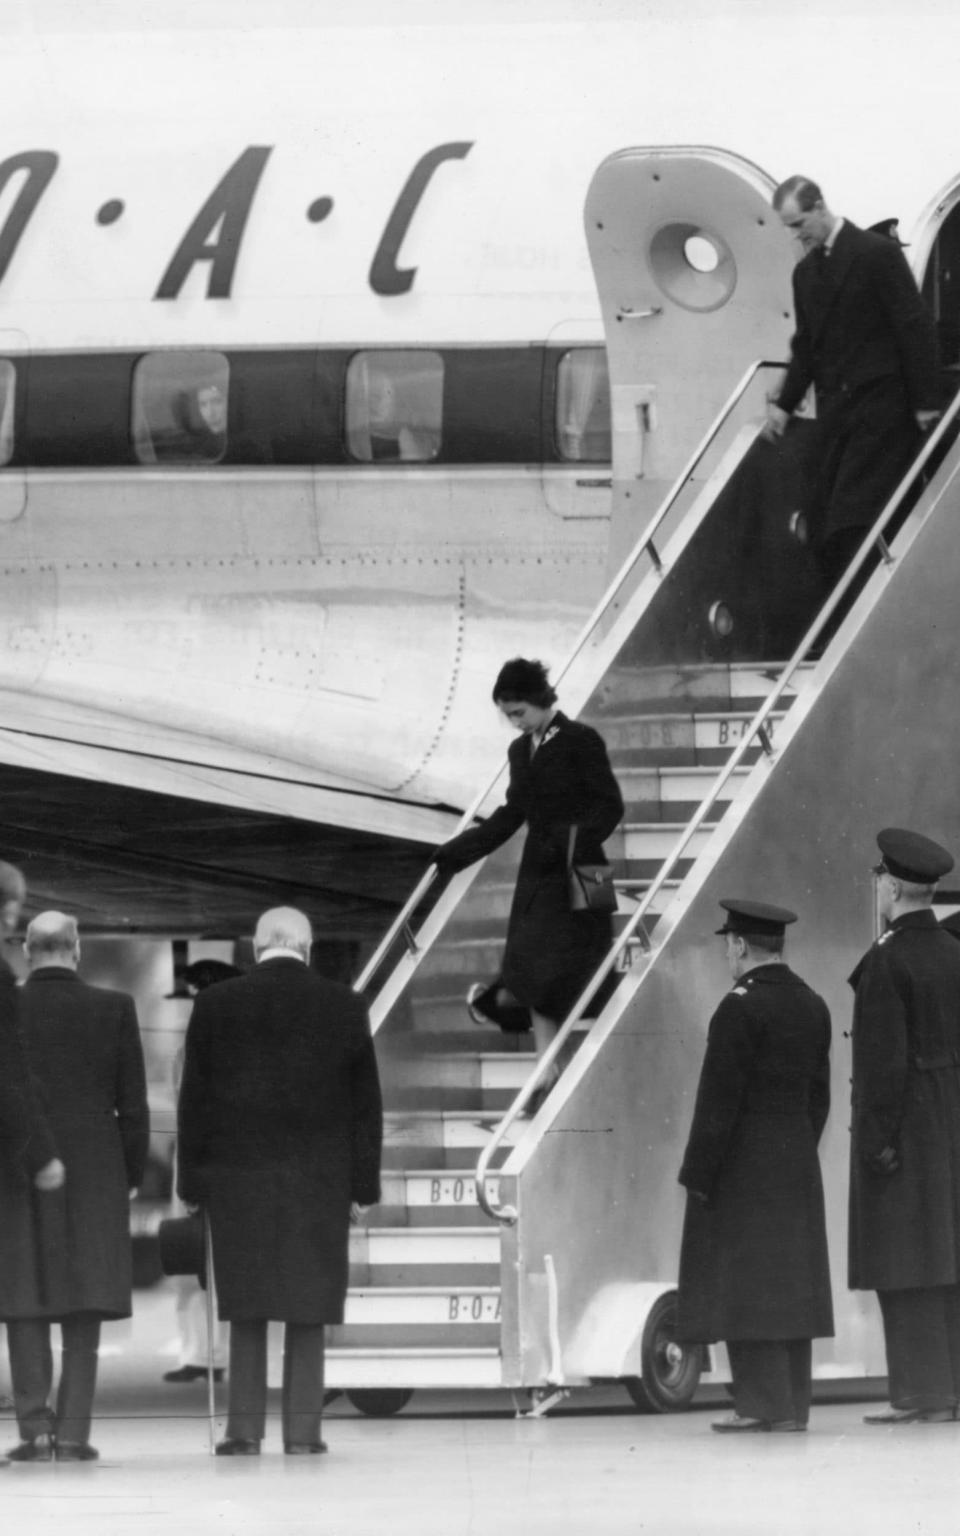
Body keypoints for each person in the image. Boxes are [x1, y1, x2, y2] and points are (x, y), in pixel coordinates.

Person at [177, 907, 383, 1456]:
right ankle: (303, 1432)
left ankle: (243, 1431)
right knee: (308, 1304)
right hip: (318, 1177)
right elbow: (366, 1108)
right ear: (308, 947)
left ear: (256, 946)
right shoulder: (345, 1004)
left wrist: (191, 1182)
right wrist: (363, 1187)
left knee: (247, 1305)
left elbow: (194, 1099)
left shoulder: (215, 1004)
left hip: (236, 1177)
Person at [433, 658, 623, 1111]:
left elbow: (609, 807)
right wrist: (460, 850)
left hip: (585, 867)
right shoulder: (520, 752)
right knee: (532, 961)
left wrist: (570, 840)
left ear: (540, 701)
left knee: (578, 963)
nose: (514, 723)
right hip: (540, 873)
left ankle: (549, 1060)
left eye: (518, 712)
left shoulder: (580, 740)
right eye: (508, 715)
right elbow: (511, 814)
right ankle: (547, 1064)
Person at [676, 899, 833, 1434]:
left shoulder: (737, 1008)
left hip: (744, 1165)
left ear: (739, 945)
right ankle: (791, 1406)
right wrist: (795, 1145)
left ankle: (760, 1404)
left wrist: (698, 1175)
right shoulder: (814, 1004)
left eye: (728, 944)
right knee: (790, 1282)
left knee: (747, 1285)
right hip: (796, 1159)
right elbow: (820, 1098)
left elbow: (717, 1102)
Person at [0, 911, 148, 1462]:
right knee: (84, 1303)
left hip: (16, 1170)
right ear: (77, 949)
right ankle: (75, 1433)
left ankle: (34, 1429)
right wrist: (129, 1176)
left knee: (24, 1298)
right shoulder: (115, 1009)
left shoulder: (7, 1006)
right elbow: (133, 1107)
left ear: (27, 950)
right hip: (95, 1171)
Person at [762, 175, 941, 591]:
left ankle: (862, 606)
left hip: (883, 409)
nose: (794, 234)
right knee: (822, 515)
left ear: (820, 207)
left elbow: (912, 327)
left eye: (797, 223)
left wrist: (925, 401)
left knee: (853, 516)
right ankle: (840, 617)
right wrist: (783, 405)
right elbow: (806, 345)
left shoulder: (875, 254)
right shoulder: (805, 274)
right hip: (837, 413)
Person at [849, 828, 960, 1424]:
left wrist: (875, 1143)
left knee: (906, 1262)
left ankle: (921, 1393)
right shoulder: (954, 951)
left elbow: (879, 1067)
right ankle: (952, 1390)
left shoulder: (886, 961)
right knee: (948, 1258)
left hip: (907, 1132)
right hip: (951, 1127)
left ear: (891, 886)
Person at [161, 960, 240, 1386]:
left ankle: (223, 1354)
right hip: (193, 1159)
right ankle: (198, 1353)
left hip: (225, 1161)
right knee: (190, 1259)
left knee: (232, 1262)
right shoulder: (186, 1050)